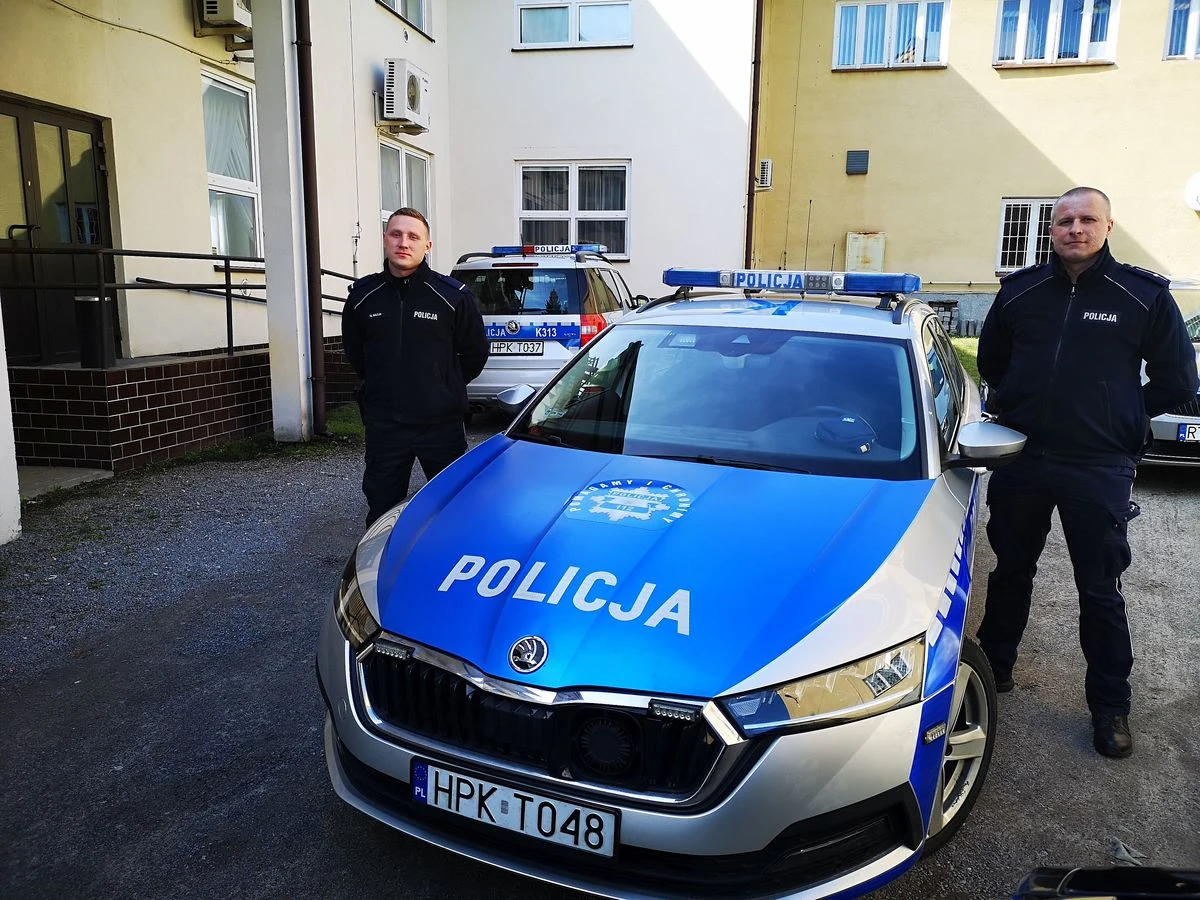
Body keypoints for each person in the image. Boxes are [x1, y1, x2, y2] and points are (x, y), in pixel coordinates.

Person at [976, 186, 1198, 759]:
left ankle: (1110, 708)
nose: (1075, 228)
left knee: (1100, 589)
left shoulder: (1141, 295)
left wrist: (1123, 413)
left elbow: (1179, 380)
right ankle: (993, 671)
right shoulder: (1020, 292)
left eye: (1087, 219)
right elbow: (994, 362)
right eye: (1064, 220)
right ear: (1050, 229)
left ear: (1107, 226)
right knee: (1010, 572)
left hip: (1097, 464)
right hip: (1023, 458)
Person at [342, 207, 488, 527]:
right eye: (396, 234)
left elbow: (475, 354)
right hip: (386, 427)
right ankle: (381, 572)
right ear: (385, 240)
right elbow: (356, 354)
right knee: (382, 509)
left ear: (427, 245)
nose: (403, 243)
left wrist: (443, 385)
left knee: (452, 506)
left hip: (441, 426)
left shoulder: (452, 297)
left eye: (413, 236)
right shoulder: (363, 298)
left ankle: (447, 567)